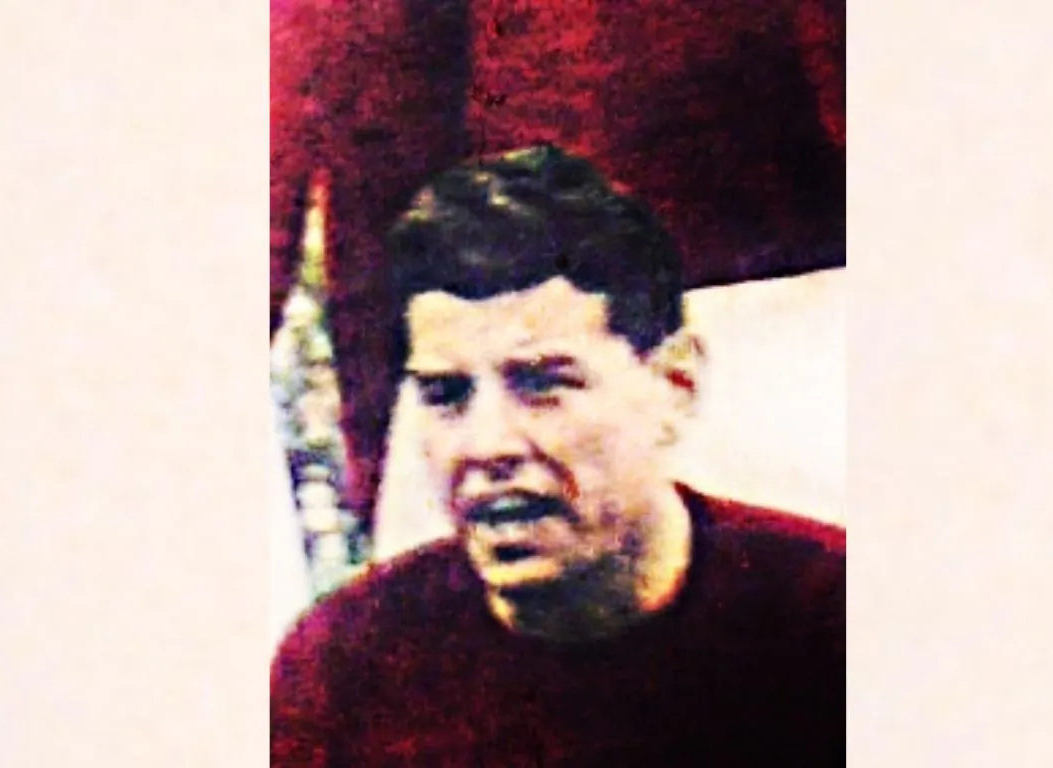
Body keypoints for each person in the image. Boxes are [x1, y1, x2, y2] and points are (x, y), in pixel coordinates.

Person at [270, 145, 845, 766]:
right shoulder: (342, 672)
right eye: (445, 395)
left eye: (543, 385)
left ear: (675, 384)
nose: (488, 446)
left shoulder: (836, 627)